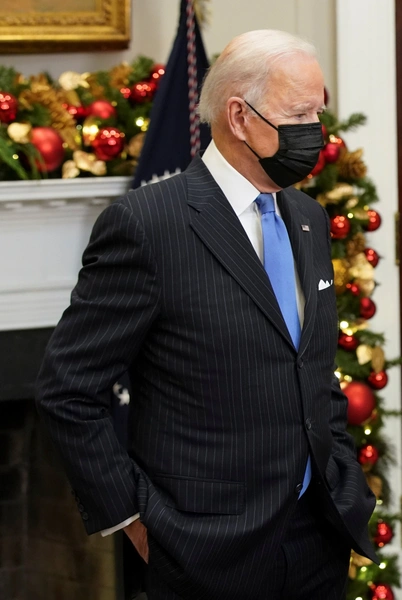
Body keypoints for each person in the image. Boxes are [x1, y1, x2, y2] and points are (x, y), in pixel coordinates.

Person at [35, 30, 375, 599]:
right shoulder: (148, 225)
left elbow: (311, 370)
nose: (317, 131)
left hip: (317, 538)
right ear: (239, 117)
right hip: (202, 552)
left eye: (320, 111)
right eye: (299, 113)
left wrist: (342, 477)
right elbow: (68, 390)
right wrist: (136, 522)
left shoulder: (310, 219)